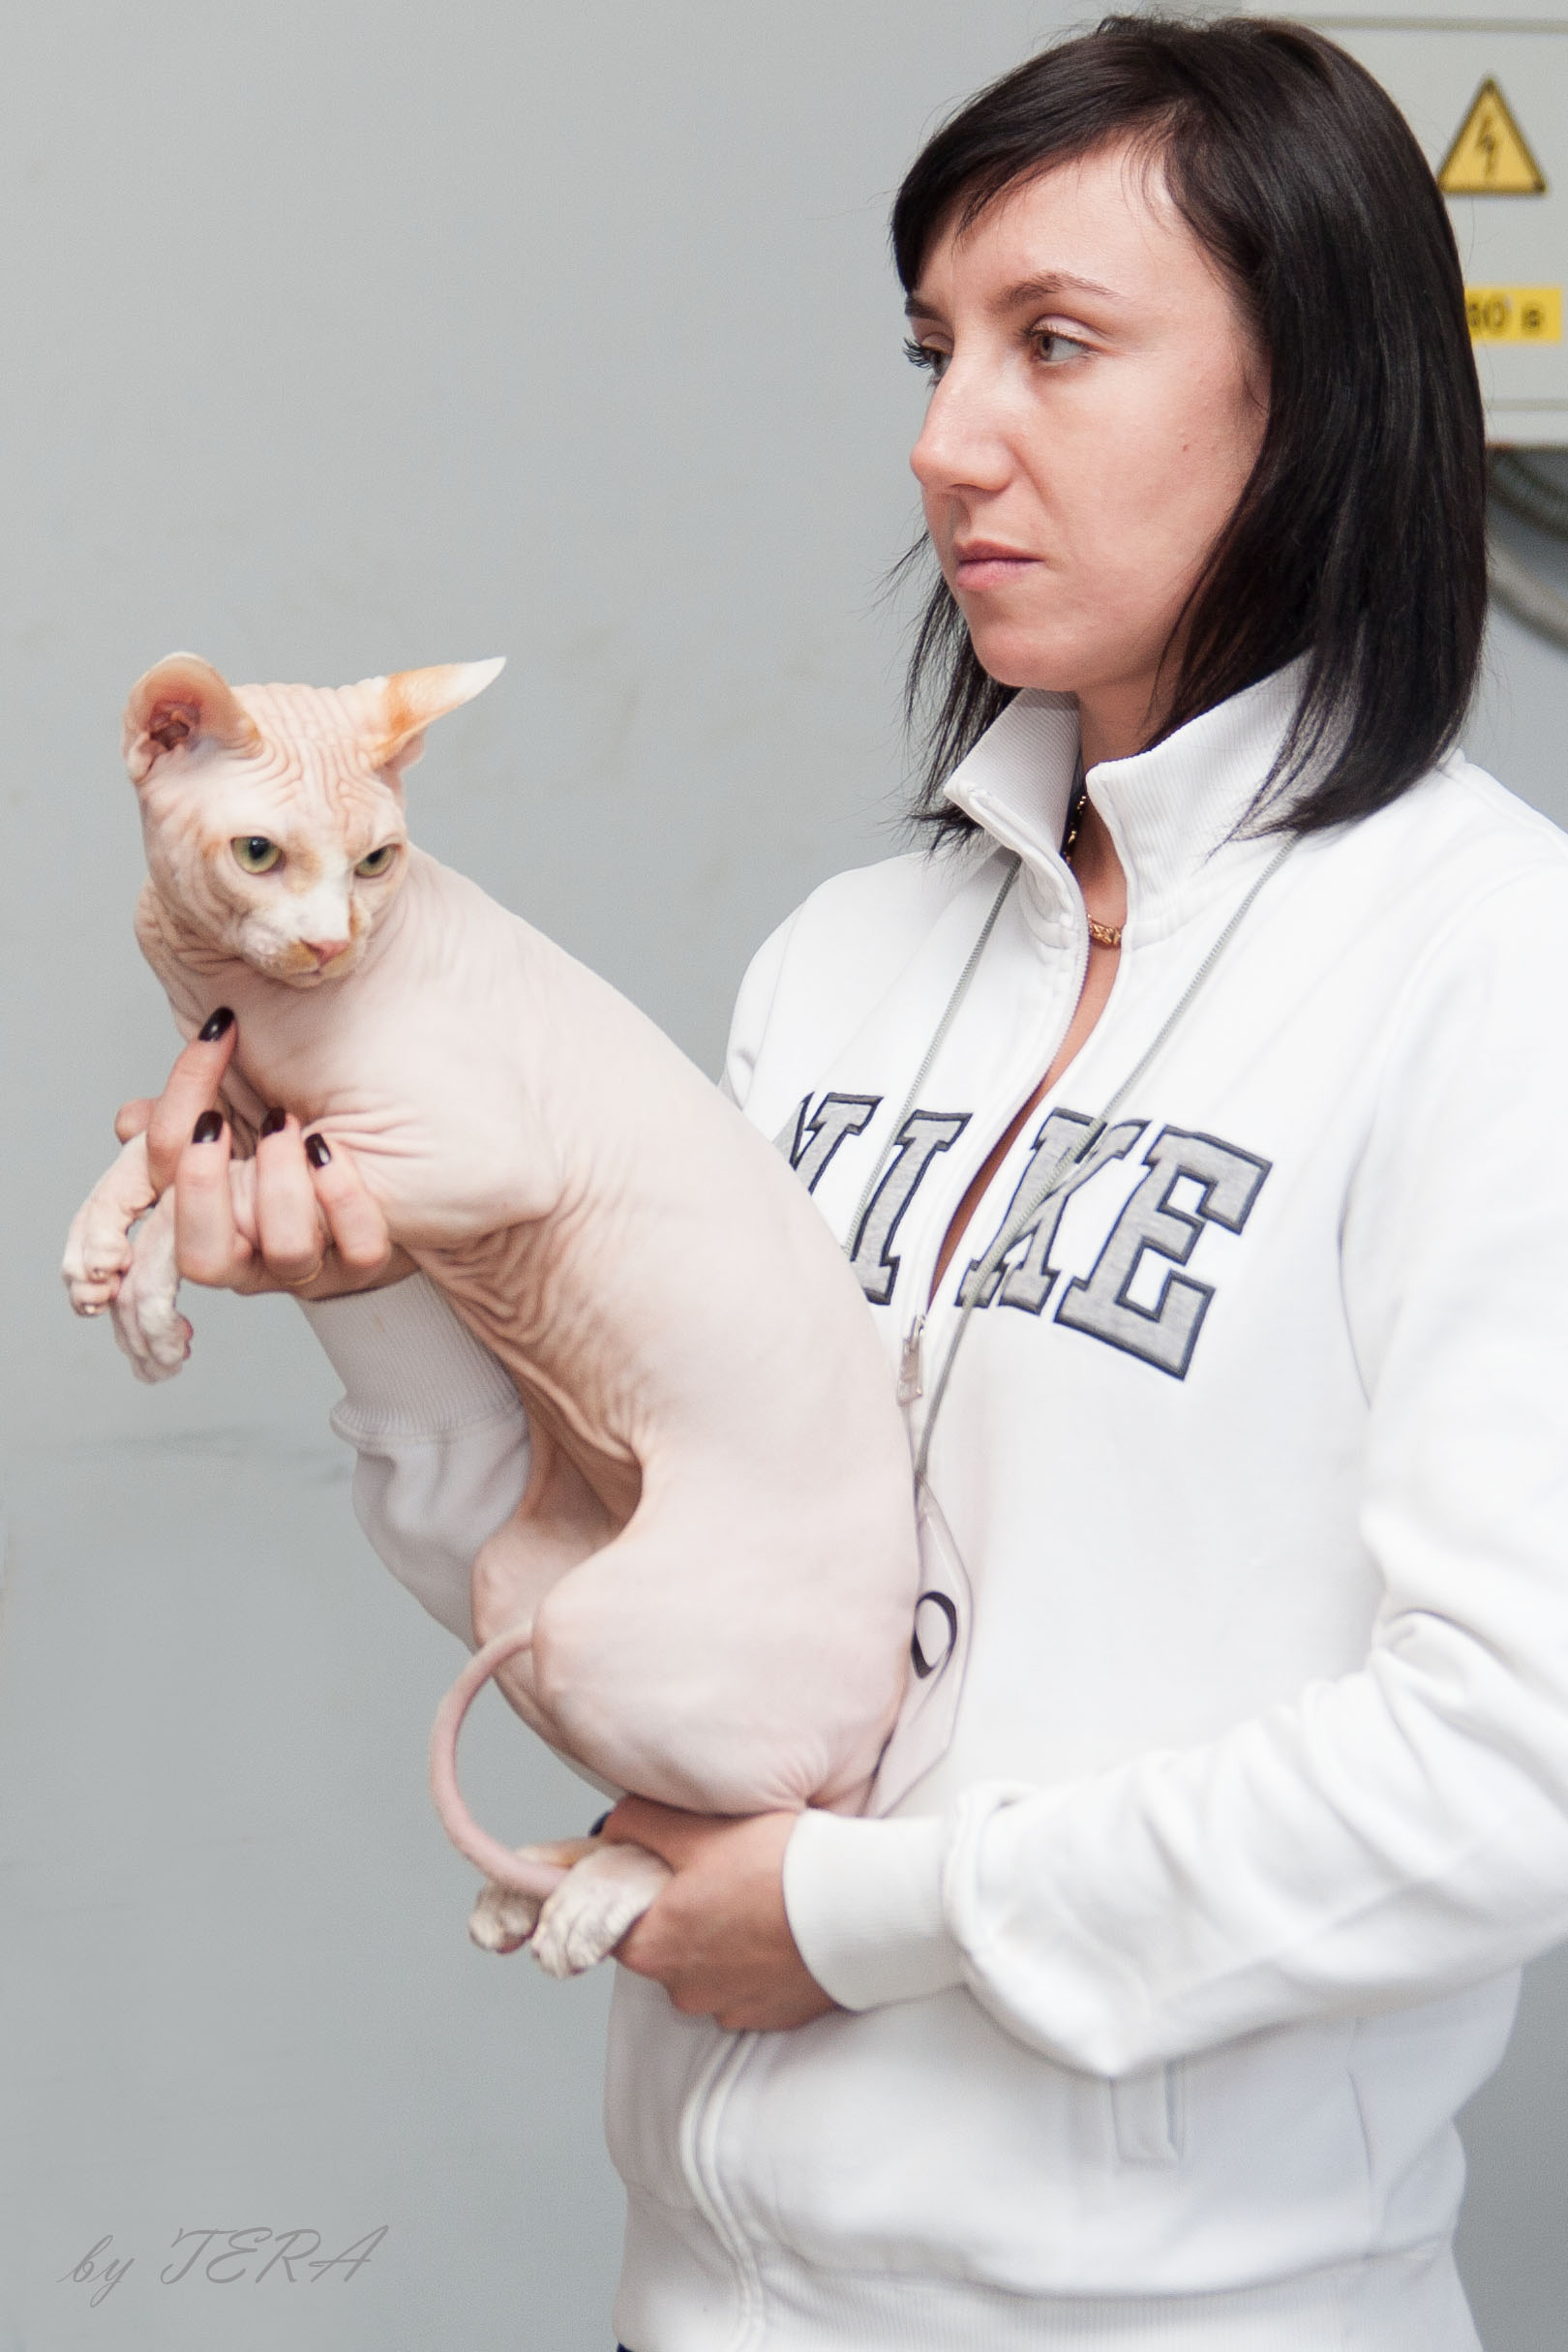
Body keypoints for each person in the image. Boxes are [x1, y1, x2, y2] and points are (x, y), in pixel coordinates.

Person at [116, 15, 1568, 2349]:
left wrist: (859, 1916)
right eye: (931, 347)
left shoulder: (1497, 977)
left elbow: (1512, 1769)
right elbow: (609, 1574)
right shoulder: (846, 966)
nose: (945, 438)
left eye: (1054, 344)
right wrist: (366, 1287)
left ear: (1318, 392)